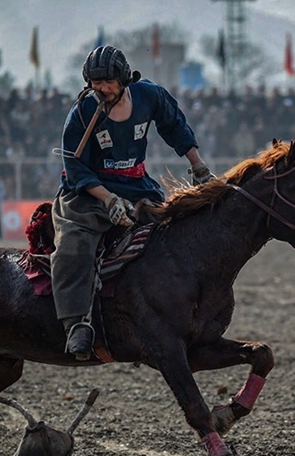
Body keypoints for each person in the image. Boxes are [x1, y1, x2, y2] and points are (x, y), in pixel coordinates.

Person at [51, 46, 214, 359]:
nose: (102, 89)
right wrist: (108, 198)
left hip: (138, 187)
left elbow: (174, 126)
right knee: (73, 245)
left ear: (124, 78)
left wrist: (198, 166)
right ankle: (76, 325)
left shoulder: (148, 96)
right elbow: (74, 167)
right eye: (95, 83)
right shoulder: (83, 112)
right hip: (87, 193)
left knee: (174, 234)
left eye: (108, 82)